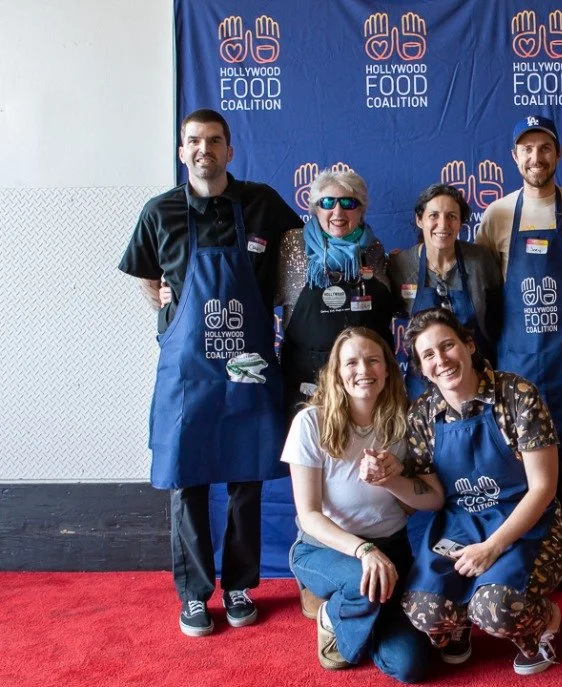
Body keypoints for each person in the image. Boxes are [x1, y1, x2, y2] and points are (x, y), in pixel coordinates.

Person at [118, 108, 301, 636]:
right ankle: (195, 595)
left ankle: (240, 584)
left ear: (229, 151)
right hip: (188, 371)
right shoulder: (160, 212)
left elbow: (295, 262)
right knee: (187, 482)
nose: (204, 150)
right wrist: (166, 310)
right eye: (194, 141)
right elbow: (146, 278)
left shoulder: (262, 204)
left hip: (248, 366)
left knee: (246, 481)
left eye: (214, 141)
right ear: (182, 151)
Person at [400, 308, 562, 676]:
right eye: (428, 354)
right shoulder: (421, 416)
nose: (441, 360)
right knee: (421, 608)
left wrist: (493, 547)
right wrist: (388, 481)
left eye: (448, 346)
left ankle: (541, 624)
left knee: (496, 608)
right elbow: (430, 497)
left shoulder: (517, 394)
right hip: (460, 526)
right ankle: (457, 626)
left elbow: (543, 488)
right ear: (420, 366)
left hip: (526, 523)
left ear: (469, 345)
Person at [476, 114, 562, 604]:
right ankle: (522, 565)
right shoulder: (497, 215)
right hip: (515, 366)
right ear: (515, 157)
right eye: (526, 149)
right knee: (517, 478)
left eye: (545, 147)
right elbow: (487, 293)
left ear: (558, 154)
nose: (536, 157)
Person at [283, 327, 439, 681]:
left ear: (387, 369)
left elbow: (428, 500)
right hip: (324, 550)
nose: (363, 369)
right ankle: (331, 614)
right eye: (351, 362)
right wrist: (365, 550)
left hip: (392, 549)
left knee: (410, 666)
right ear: (337, 373)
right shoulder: (311, 422)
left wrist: (395, 478)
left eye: (372, 360)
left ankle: (360, 614)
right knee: (360, 584)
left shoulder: (406, 422)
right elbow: (308, 515)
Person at [279, 169, 394, 421]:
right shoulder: (292, 245)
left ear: (361, 209)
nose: (338, 212)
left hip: (366, 383)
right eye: (328, 202)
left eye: (348, 203)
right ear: (314, 208)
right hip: (308, 385)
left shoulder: (373, 249)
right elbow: (256, 292)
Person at [388, 184, 502, 399]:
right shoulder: (400, 266)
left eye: (451, 216)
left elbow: (498, 320)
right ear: (419, 220)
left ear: (460, 222)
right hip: (424, 383)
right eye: (434, 215)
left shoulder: (480, 261)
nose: (443, 224)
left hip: (477, 377)